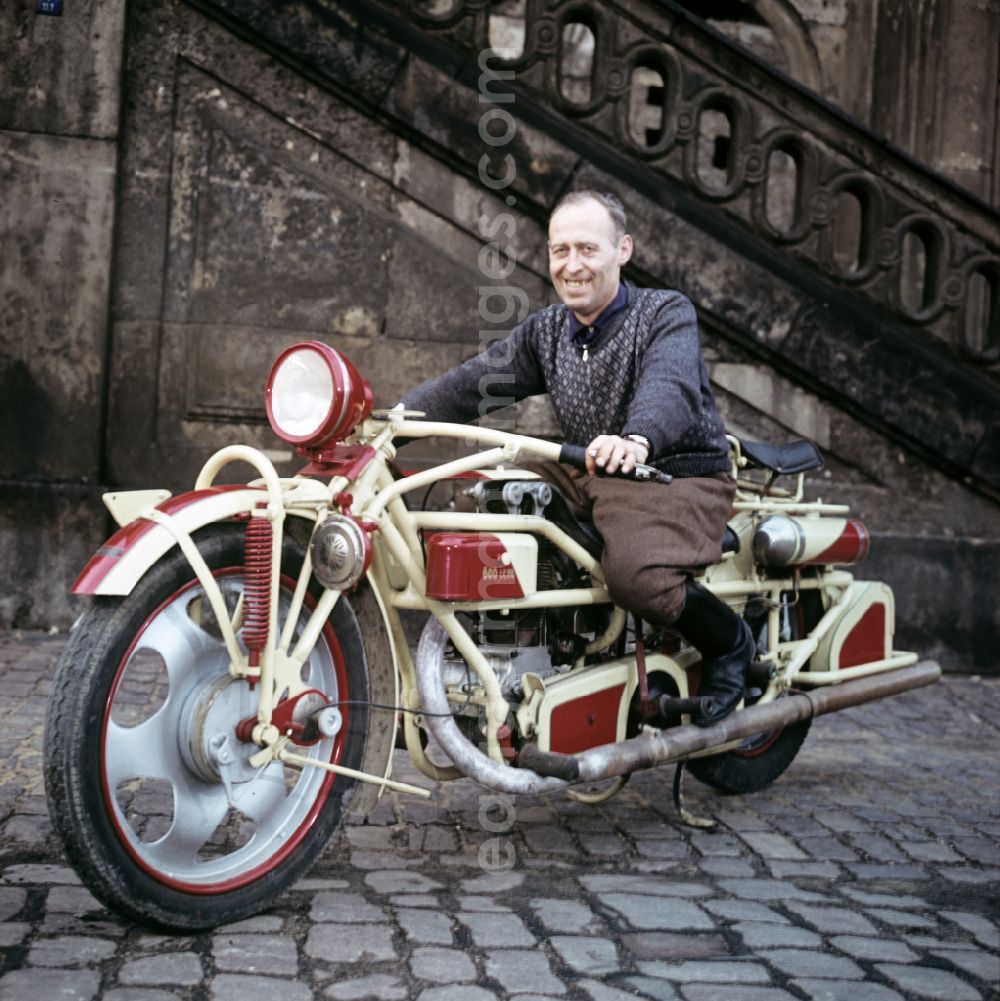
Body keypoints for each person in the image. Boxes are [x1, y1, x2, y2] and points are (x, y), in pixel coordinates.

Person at [401, 190, 753, 726]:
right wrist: (394, 422)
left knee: (636, 577)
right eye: (560, 250)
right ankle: (533, 656)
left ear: (623, 249)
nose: (572, 265)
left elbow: (671, 385)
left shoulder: (664, 312)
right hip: (589, 470)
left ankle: (730, 644)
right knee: (486, 497)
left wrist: (637, 438)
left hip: (674, 476)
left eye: (588, 249)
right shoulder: (547, 331)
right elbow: (474, 381)